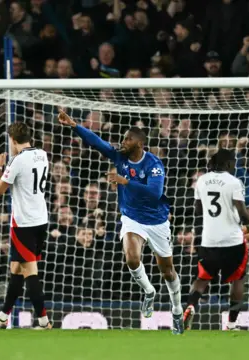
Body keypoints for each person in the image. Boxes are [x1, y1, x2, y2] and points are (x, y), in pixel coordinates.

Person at [57, 110, 184, 335]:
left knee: (167, 271)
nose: (122, 141)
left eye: (127, 138)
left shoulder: (154, 164)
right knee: (132, 258)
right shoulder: (120, 157)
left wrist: (126, 181)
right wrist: (74, 125)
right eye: (123, 137)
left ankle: (176, 310)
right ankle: (148, 292)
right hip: (131, 218)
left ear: (139, 143)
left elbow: (154, 193)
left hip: (156, 221)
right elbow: (97, 142)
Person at [0, 122, 52, 329]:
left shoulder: (17, 161)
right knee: (16, 268)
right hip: (41, 219)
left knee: (29, 270)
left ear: (12, 140)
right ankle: (3, 317)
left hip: (24, 224)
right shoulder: (42, 154)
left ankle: (44, 321)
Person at [185, 148, 249, 331]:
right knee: (238, 279)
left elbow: (198, 210)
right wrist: (248, 224)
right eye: (234, 163)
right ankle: (231, 324)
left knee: (202, 279)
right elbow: (243, 213)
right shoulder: (234, 182)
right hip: (233, 241)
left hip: (209, 240)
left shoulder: (202, 180)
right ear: (228, 163)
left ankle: (190, 305)